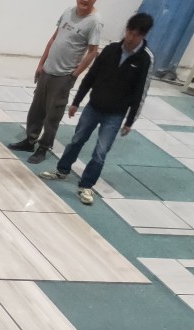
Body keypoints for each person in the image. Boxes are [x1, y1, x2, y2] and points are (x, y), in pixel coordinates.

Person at [41, 12, 155, 205]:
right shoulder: (111, 50)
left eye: (136, 35)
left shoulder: (145, 59)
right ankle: (62, 170)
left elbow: (140, 92)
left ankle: (86, 186)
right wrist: (76, 101)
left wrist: (130, 120)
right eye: (129, 32)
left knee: (100, 152)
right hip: (94, 107)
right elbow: (91, 76)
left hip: (115, 114)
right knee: (77, 140)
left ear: (143, 36)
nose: (130, 37)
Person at [8, 0, 103, 165]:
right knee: (37, 108)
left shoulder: (95, 21)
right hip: (48, 69)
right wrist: (41, 64)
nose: (85, 0)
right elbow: (54, 38)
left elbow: (92, 52)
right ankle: (30, 140)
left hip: (64, 75)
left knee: (53, 115)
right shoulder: (68, 11)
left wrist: (74, 74)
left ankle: (44, 147)